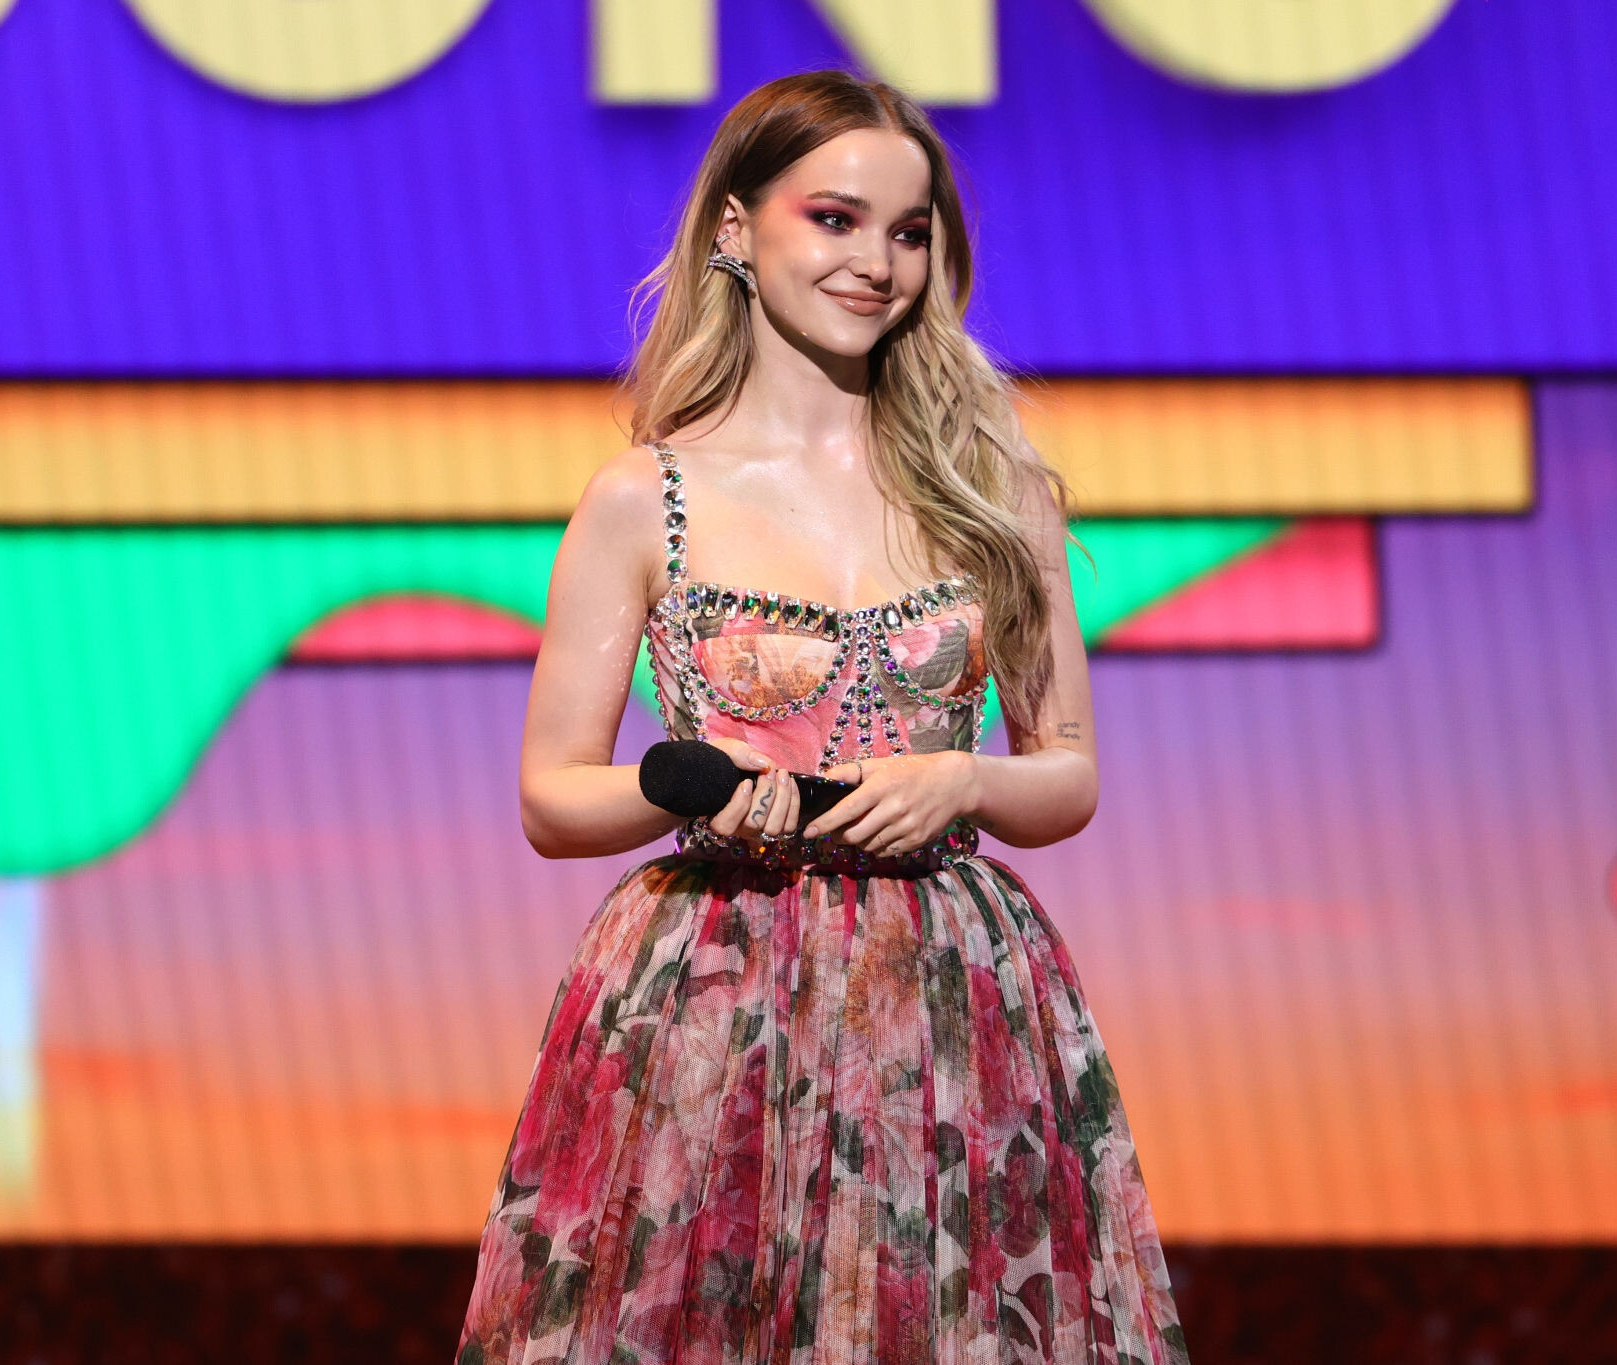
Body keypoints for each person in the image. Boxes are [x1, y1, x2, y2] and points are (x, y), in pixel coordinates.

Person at [457, 68, 1190, 1365]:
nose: (876, 263)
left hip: (948, 995)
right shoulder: (643, 498)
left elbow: (1067, 772)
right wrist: (687, 780)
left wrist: (964, 780)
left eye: (908, 231)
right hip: (714, 985)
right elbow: (551, 796)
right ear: (737, 229)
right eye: (835, 219)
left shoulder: (993, 490)